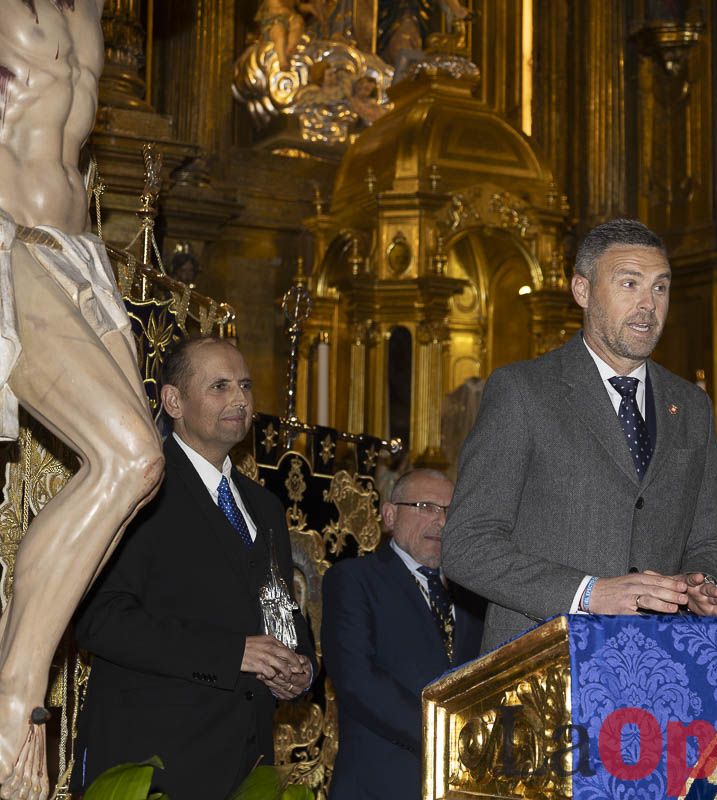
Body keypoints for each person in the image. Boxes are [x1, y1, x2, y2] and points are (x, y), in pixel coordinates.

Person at [0, 2, 167, 794]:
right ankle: (15, 695)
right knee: (127, 455)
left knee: (141, 468)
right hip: (6, 229)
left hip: (77, 252)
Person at [442, 218, 717, 651]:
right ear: (582, 291)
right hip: (545, 662)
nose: (648, 305)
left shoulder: (691, 406)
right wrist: (587, 592)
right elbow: (467, 544)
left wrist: (699, 584)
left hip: (660, 665)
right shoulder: (524, 391)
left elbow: (712, 537)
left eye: (660, 287)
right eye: (629, 284)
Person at [72, 338, 315, 800]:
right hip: (154, 764)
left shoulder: (264, 507)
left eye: (244, 385)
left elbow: (281, 607)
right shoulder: (139, 489)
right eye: (220, 386)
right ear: (173, 400)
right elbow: (99, 620)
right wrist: (231, 654)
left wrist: (301, 667)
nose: (240, 399)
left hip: (245, 766)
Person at [323, 469, 483, 799]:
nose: (440, 521)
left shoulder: (475, 595)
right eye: (425, 507)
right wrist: (447, 736)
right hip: (382, 783)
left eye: (449, 511)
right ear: (389, 515)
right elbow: (357, 680)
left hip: (466, 787)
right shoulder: (354, 580)